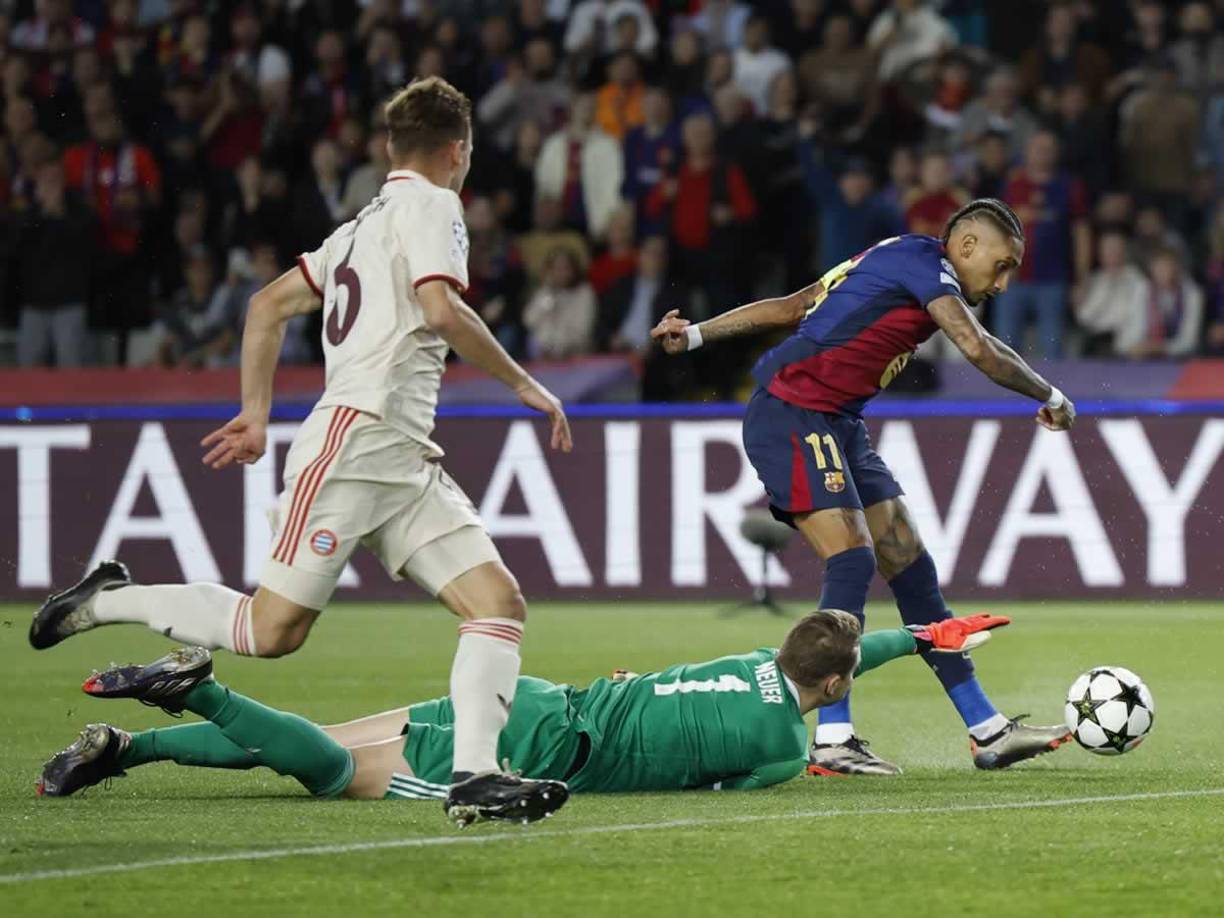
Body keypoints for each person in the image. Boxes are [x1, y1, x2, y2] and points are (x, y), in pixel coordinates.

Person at [28, 78, 574, 828]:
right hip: (354, 444)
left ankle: (476, 776)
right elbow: (442, 310)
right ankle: (104, 599)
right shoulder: (435, 205)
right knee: (270, 632)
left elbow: (266, 306)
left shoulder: (357, 230)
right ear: (458, 150)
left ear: (390, 147)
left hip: (404, 458)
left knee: (497, 605)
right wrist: (523, 383)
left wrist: (256, 414)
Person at [651, 199, 1075, 775]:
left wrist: (698, 334)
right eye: (1001, 266)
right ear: (967, 246)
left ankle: (987, 730)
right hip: (792, 412)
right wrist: (1050, 396)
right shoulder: (926, 266)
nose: (1002, 284)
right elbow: (977, 347)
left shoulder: (890, 258)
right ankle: (832, 737)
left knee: (908, 559)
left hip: (840, 420)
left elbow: (796, 305)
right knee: (852, 559)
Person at [38, 611, 1014, 801]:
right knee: (332, 775)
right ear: (833, 690)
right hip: (551, 752)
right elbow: (770, 767)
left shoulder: (755, 659)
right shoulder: (770, 744)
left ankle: (127, 747)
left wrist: (922, 637)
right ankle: (196, 684)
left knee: (312, 745)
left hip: (538, 698)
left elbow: (837, 657)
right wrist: (923, 642)